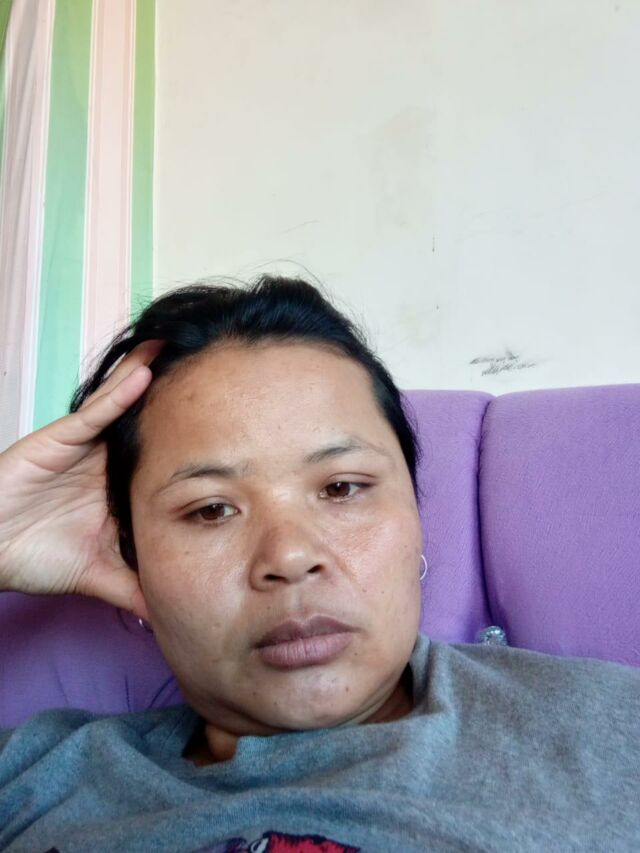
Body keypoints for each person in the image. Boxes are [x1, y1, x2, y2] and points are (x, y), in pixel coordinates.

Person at [0, 276, 638, 853]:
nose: (290, 557)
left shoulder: (611, 729)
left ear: (415, 514)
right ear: (133, 556)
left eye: (341, 488)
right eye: (212, 509)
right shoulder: (36, 778)